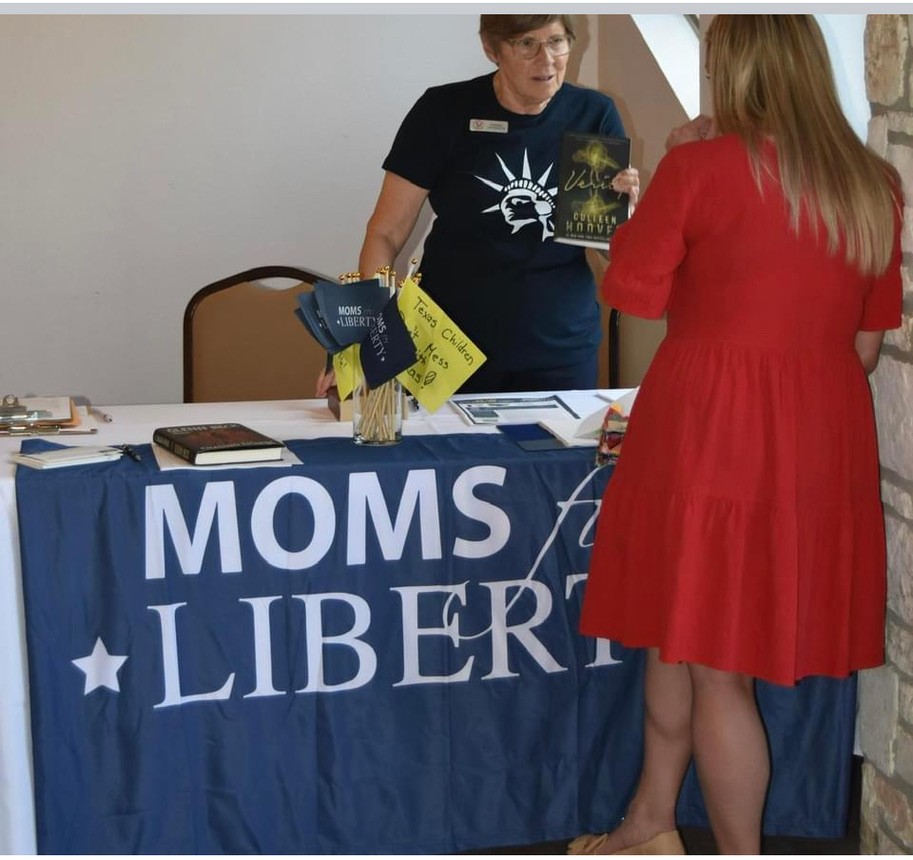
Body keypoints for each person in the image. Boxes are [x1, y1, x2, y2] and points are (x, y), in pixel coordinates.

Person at [570, 15, 902, 856]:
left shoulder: (700, 165)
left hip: (708, 425)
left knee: (713, 665)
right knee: (678, 634)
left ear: (735, 73)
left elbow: (630, 290)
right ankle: (649, 823)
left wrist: (655, 185)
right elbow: (865, 349)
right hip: (817, 432)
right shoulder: (870, 182)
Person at [317, 14, 639, 397]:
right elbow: (385, 233)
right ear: (491, 48)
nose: (547, 60)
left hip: (560, 348)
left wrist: (626, 217)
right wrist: (371, 338)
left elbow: (614, 252)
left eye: (556, 41)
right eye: (526, 44)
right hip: (449, 348)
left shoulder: (593, 114)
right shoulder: (443, 111)